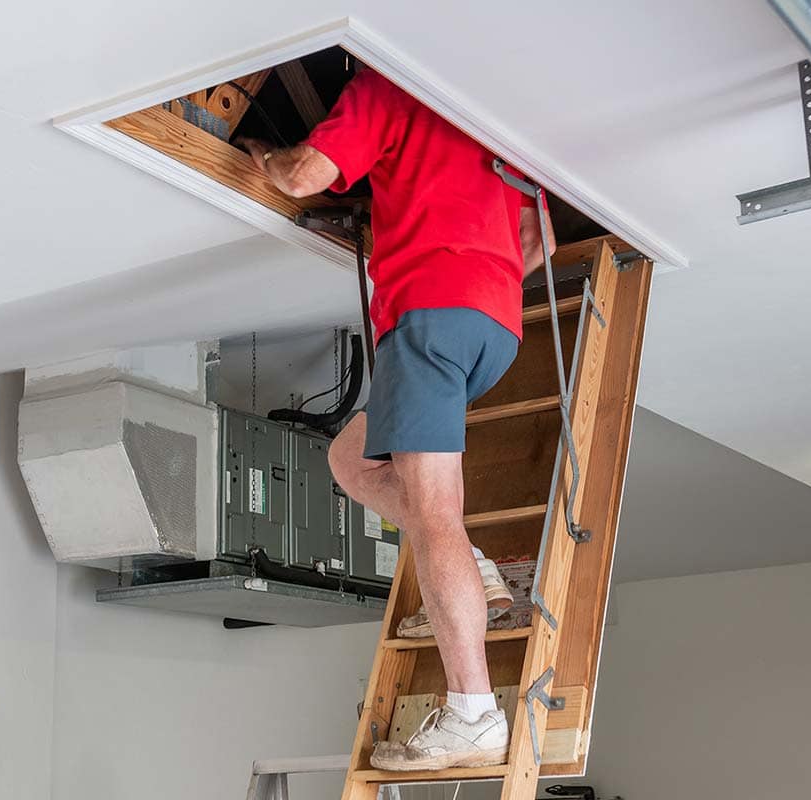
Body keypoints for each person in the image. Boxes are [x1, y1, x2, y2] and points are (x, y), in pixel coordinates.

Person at [239, 66, 554, 772]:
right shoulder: (497, 108)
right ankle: (469, 567)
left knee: (435, 512)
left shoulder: (391, 86)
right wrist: (482, 280)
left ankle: (474, 713)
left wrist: (263, 157)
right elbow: (541, 243)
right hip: (494, 331)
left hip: (431, 318)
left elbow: (302, 175)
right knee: (350, 457)